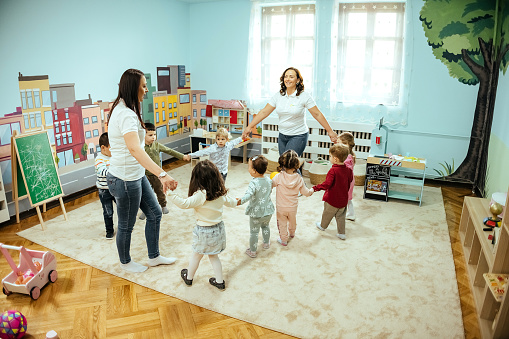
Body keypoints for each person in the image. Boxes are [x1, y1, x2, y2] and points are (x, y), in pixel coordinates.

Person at [106, 68, 178, 273]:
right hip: (125, 179)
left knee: (155, 213)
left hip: (135, 175)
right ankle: (125, 262)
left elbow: (133, 145)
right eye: (144, 86)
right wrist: (162, 174)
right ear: (133, 87)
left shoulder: (122, 108)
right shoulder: (125, 114)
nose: (146, 90)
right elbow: (134, 149)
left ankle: (154, 256)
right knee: (127, 225)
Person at [167, 160, 238, 291]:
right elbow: (233, 202)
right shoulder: (220, 193)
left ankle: (188, 278)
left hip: (203, 232)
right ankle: (220, 281)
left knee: (196, 255)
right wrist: (240, 200)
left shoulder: (200, 195)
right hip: (218, 230)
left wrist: (169, 193)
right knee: (214, 256)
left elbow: (183, 204)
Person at [242, 67, 338, 158]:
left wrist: (330, 132)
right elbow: (264, 112)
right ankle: (296, 176)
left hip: (298, 135)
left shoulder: (304, 96)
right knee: (285, 165)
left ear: (298, 80)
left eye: (291, 77)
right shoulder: (279, 96)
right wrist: (249, 127)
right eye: (286, 76)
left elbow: (317, 114)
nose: (288, 79)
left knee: (289, 165)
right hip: (282, 135)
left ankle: (295, 176)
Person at [139, 122, 185, 220]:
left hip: (157, 175)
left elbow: (169, 151)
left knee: (160, 191)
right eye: (150, 135)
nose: (153, 137)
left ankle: (163, 205)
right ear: (143, 135)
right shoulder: (141, 148)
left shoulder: (157, 145)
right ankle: (145, 210)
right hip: (145, 176)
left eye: (154, 134)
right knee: (145, 194)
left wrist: (182, 156)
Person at [271, 150, 313, 246]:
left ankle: (284, 239)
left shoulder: (278, 177)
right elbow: (305, 192)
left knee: (282, 223)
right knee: (292, 220)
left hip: (281, 207)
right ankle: (292, 233)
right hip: (293, 207)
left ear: (283, 164)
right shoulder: (299, 178)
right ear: (296, 164)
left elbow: (270, 186)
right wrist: (311, 191)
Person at [237, 155, 275, 258]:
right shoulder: (269, 181)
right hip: (268, 211)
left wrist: (241, 201)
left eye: (249, 166)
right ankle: (266, 243)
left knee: (254, 232)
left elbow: (248, 195)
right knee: (266, 226)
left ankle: (252, 251)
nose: (248, 168)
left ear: (254, 171)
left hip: (256, 213)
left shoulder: (254, 183)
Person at [313, 144, 353, 240]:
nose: (329, 158)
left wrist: (315, 188)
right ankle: (341, 233)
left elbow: (327, 184)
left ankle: (323, 226)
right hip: (343, 200)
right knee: (341, 217)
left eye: (330, 156)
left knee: (327, 214)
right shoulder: (348, 170)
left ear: (335, 159)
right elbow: (350, 180)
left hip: (332, 200)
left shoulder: (333, 170)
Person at [94, 132, 116, 239]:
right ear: (103, 148)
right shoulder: (99, 159)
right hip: (104, 191)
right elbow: (102, 172)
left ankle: (124, 226)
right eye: (112, 147)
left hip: (116, 188)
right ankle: (109, 231)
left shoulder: (114, 157)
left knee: (122, 208)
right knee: (108, 212)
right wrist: (116, 170)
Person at [339, 132, 356, 221]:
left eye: (344, 143)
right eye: (340, 143)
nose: (341, 145)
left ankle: (349, 214)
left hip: (347, 180)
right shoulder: (349, 155)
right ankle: (350, 213)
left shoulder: (347, 157)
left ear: (349, 145)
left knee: (346, 197)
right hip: (348, 179)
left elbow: (346, 170)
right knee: (348, 198)